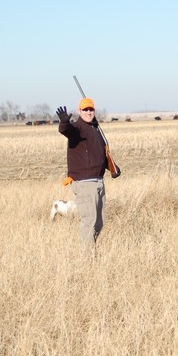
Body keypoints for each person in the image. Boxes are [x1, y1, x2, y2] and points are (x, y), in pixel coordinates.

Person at [56, 98, 108, 246]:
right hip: (84, 183)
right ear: (79, 111)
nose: (88, 112)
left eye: (90, 109)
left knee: (99, 222)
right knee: (89, 220)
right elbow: (66, 130)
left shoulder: (95, 129)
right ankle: (87, 258)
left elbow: (100, 154)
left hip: (98, 181)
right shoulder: (77, 128)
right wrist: (64, 122)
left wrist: (112, 167)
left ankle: (91, 248)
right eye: (85, 110)